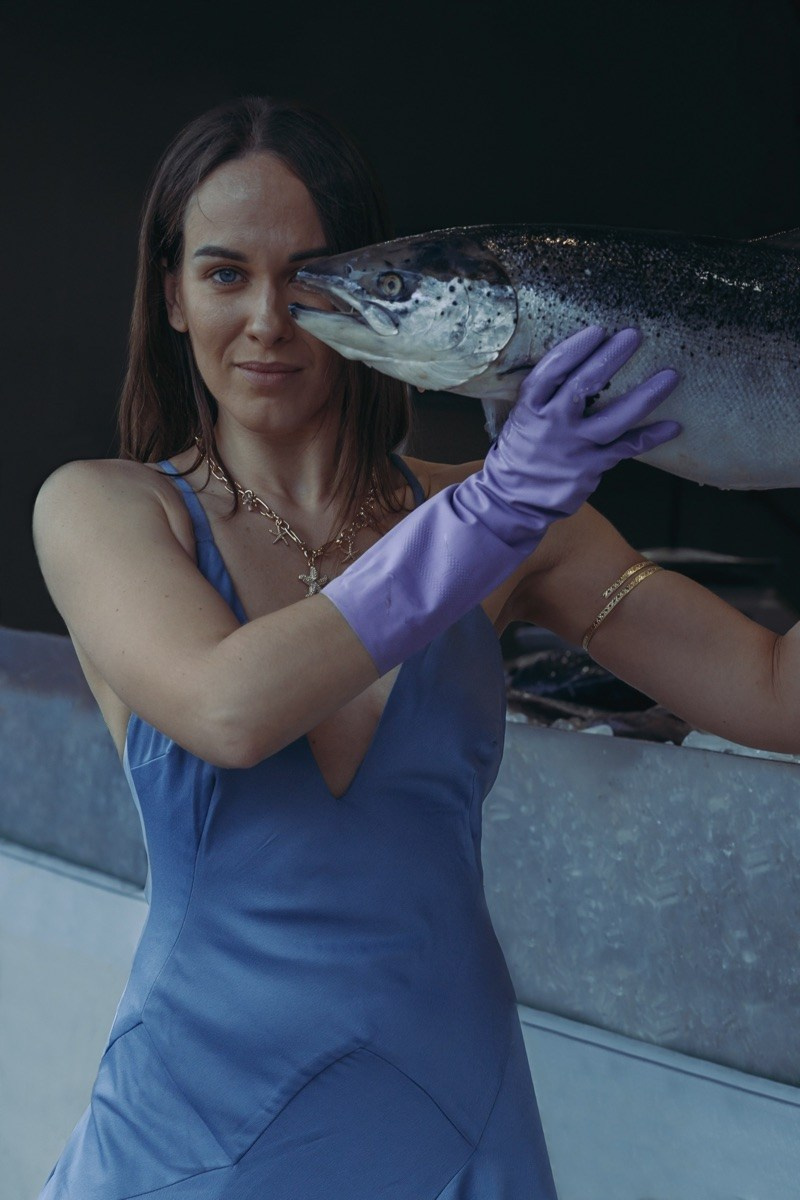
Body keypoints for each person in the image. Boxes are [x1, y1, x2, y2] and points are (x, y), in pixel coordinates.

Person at [31, 95, 799, 1200]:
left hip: (455, 1126)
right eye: (224, 273)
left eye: (303, 274)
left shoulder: (526, 522)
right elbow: (228, 709)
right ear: (171, 296)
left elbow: (774, 695)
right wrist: (492, 514)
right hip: (194, 1136)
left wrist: (499, 511)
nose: (269, 318)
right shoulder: (105, 511)